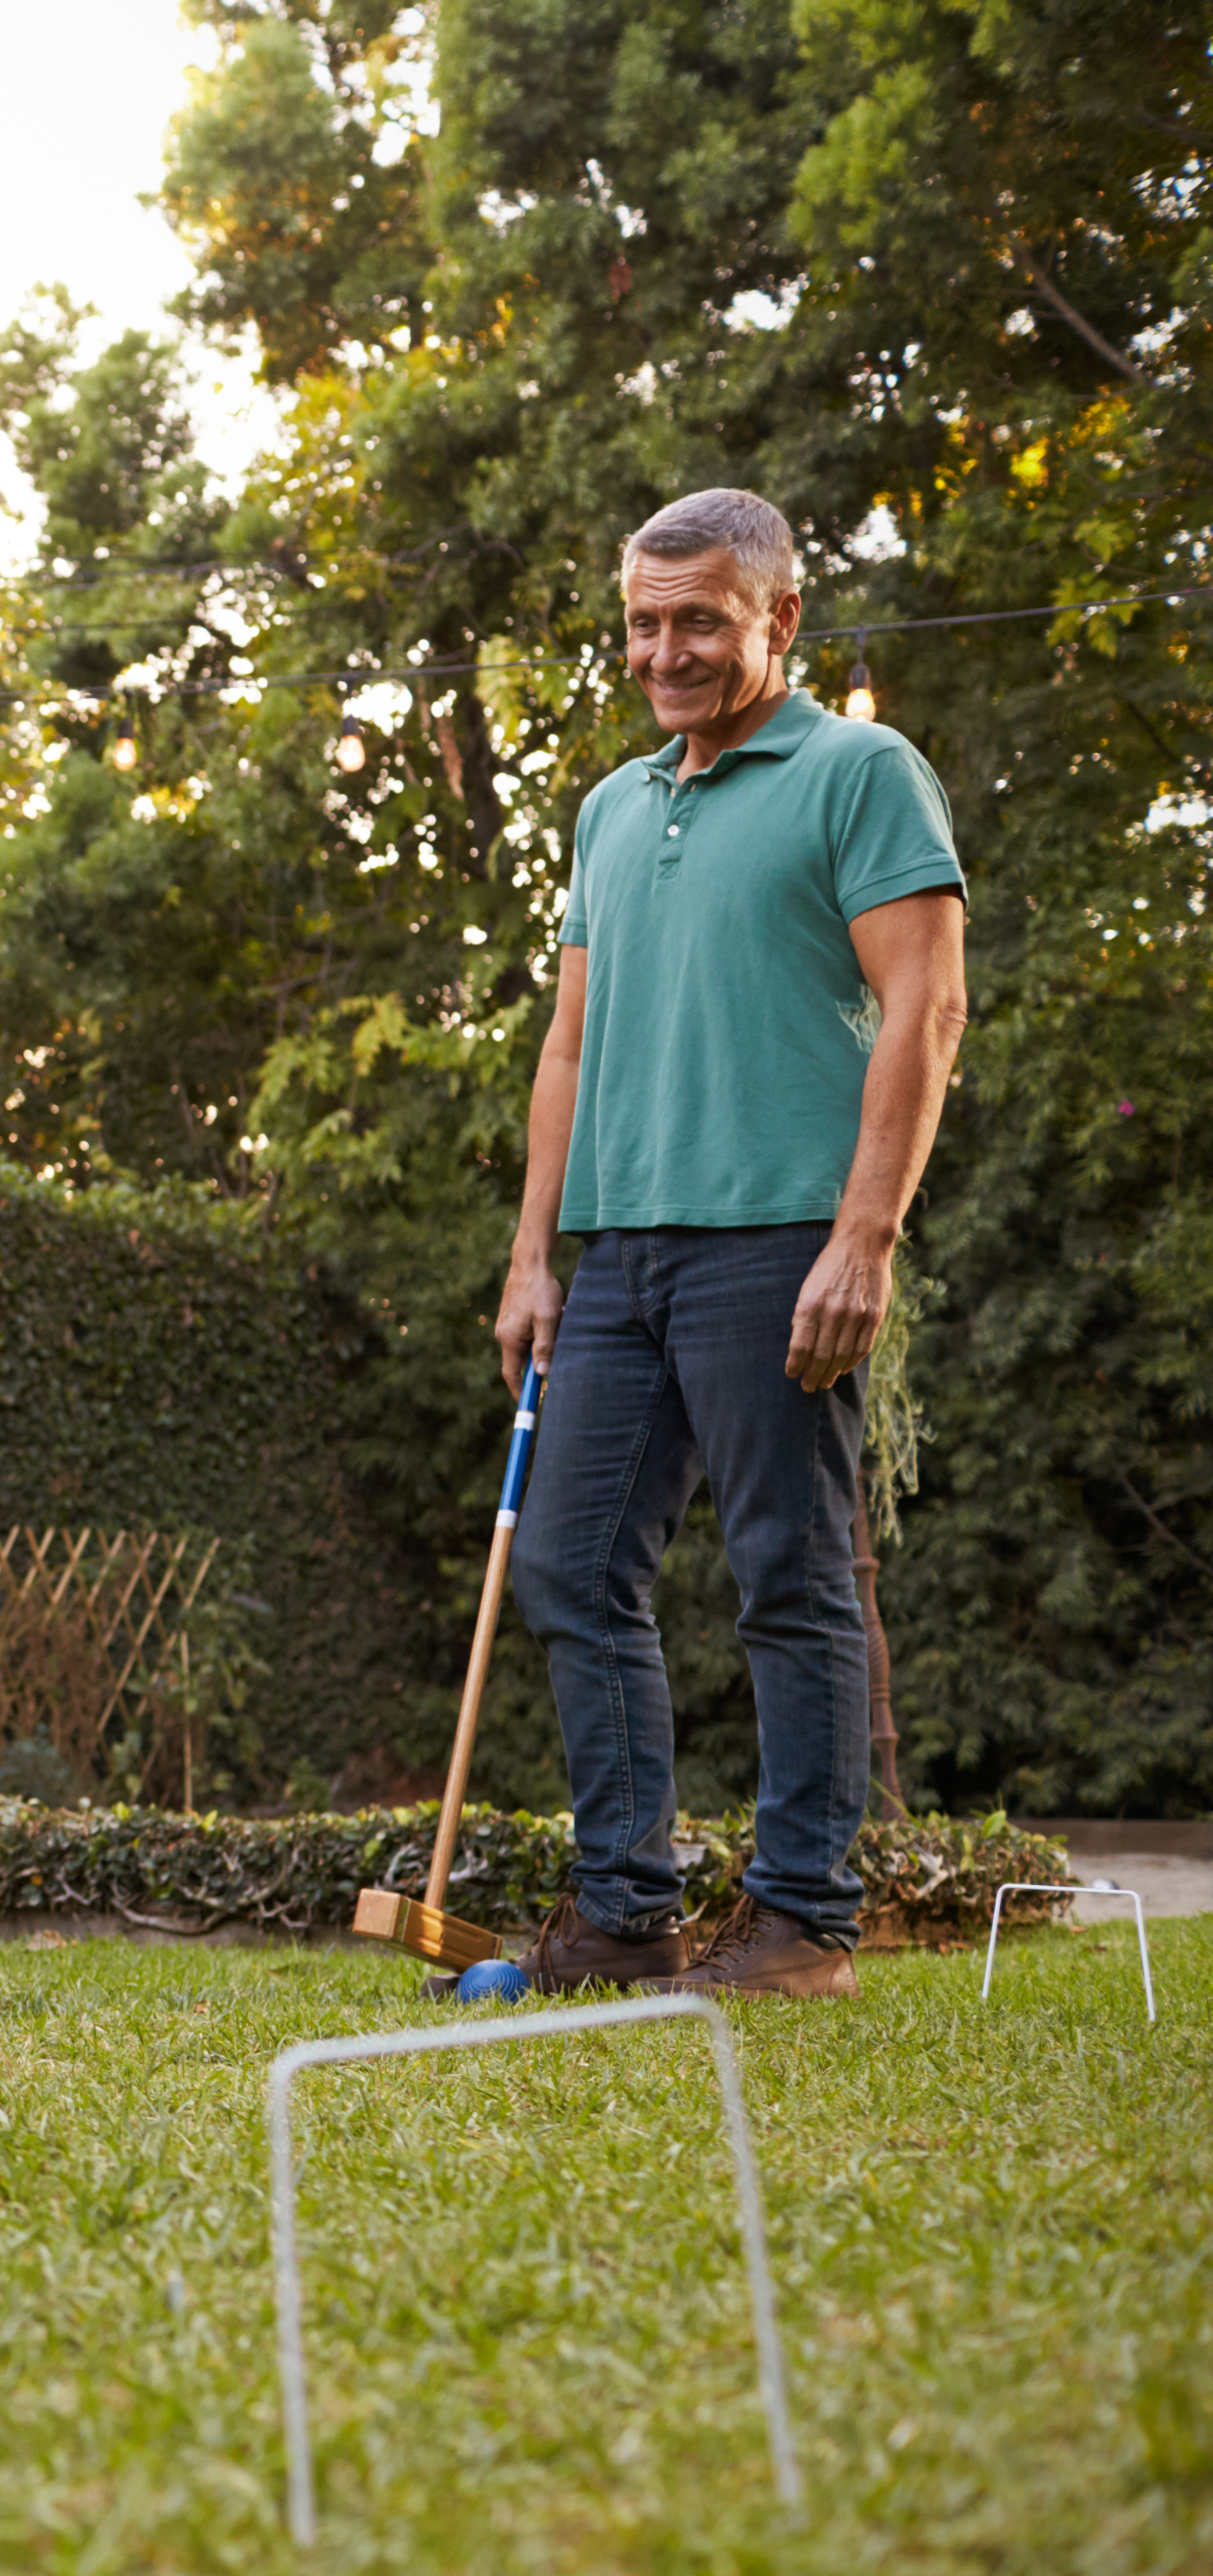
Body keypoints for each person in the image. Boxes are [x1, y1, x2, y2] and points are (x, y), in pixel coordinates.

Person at [497, 487, 968, 2000]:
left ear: (778, 618)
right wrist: (530, 1257)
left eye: (700, 618)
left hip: (779, 1240)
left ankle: (800, 1924)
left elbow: (927, 1009)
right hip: (622, 1257)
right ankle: (626, 1909)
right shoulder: (614, 807)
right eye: (644, 620)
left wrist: (866, 1237)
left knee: (788, 1572)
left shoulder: (859, 773)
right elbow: (568, 1047)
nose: (666, 649)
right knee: (568, 1563)